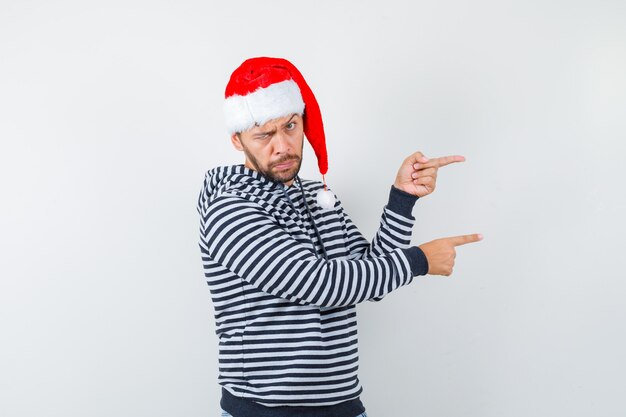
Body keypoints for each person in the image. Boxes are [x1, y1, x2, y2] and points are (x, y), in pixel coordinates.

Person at [197, 57, 482, 417]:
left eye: (290, 126)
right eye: (264, 134)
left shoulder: (320, 198)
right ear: (238, 140)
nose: (283, 146)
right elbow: (319, 284)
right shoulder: (230, 210)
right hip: (264, 411)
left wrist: (402, 198)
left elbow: (371, 280)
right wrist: (419, 260)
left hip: (344, 406)